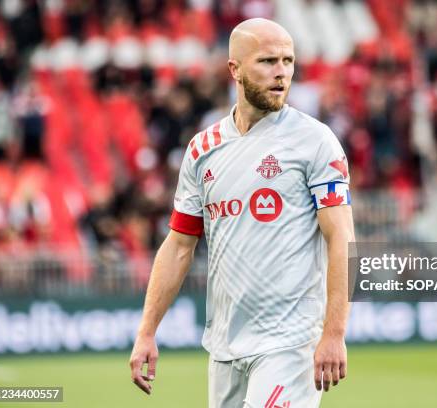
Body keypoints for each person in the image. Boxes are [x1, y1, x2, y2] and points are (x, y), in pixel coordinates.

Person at [129, 18, 354, 408]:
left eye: (288, 61)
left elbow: (342, 238)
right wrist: (146, 331)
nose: (281, 72)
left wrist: (334, 333)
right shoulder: (203, 149)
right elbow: (180, 245)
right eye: (268, 61)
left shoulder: (315, 142)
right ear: (234, 69)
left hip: (290, 343)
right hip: (225, 347)